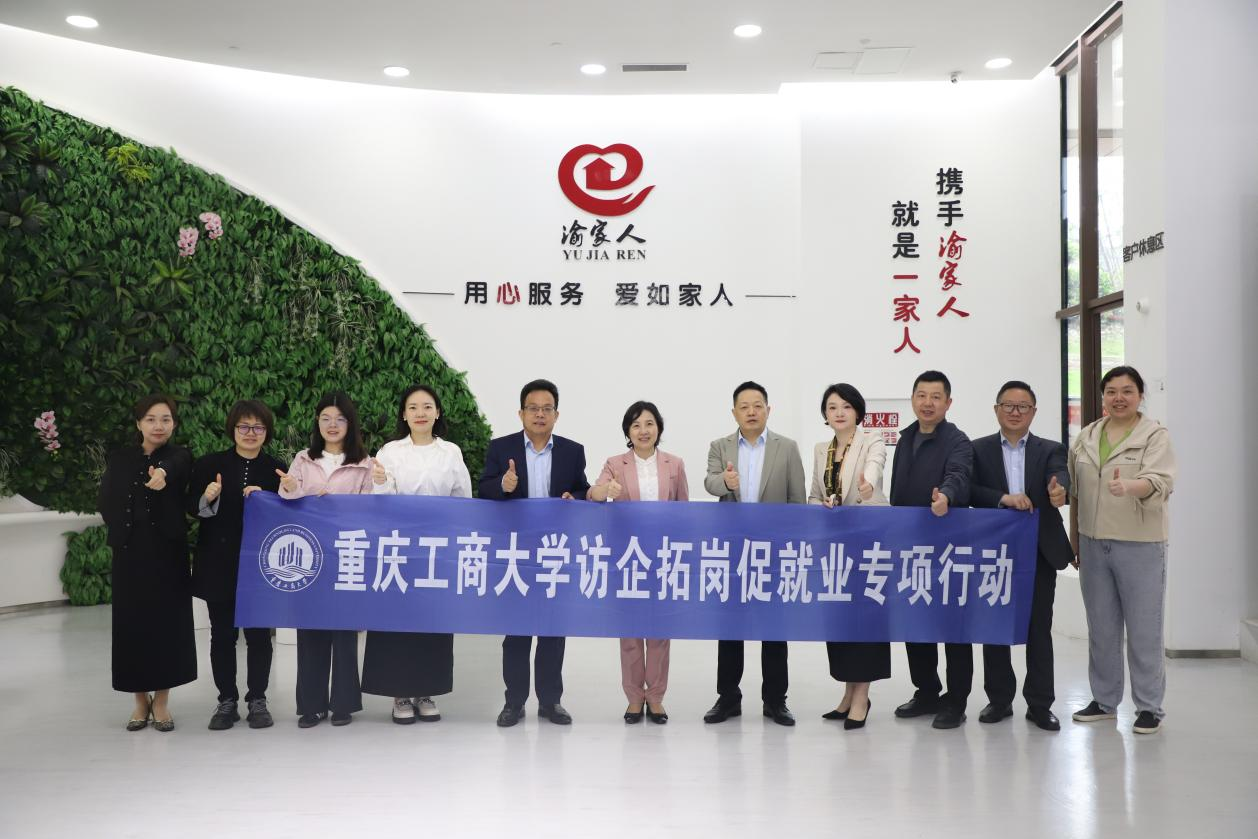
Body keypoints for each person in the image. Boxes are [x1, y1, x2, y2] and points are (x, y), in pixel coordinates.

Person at [1068, 366, 1176, 735]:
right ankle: (1103, 701)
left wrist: (1131, 486)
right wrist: (1075, 541)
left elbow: (1161, 481)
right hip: (1093, 544)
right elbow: (1076, 494)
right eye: (1112, 391)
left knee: (1144, 629)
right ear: (1103, 397)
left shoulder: (1154, 436)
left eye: (1127, 391)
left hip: (1140, 544)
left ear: (1140, 396)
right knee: (1101, 627)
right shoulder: (1086, 437)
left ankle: (1149, 707)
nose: (1119, 398)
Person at [478, 379, 590, 727]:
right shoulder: (501, 448)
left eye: (546, 409)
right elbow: (484, 489)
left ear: (556, 414)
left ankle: (550, 701)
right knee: (516, 632)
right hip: (516, 553)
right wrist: (503, 485)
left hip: (555, 553)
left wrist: (575, 497)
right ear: (521, 413)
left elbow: (582, 489)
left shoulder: (572, 451)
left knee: (552, 631)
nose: (540, 414)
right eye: (533, 408)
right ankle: (514, 702)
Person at [361, 384, 472, 725]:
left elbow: (463, 498)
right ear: (404, 414)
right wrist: (381, 480)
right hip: (399, 548)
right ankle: (399, 694)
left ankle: (426, 691)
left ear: (437, 412)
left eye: (427, 406)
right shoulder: (391, 451)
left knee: (431, 620)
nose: (420, 413)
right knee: (398, 621)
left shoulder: (450, 452)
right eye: (413, 407)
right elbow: (380, 500)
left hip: (437, 549)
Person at [969, 381, 1073, 732]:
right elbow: (970, 490)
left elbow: (1060, 478)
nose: (1015, 412)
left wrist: (1059, 492)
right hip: (994, 551)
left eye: (1023, 406)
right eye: (1008, 405)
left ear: (1034, 411)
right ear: (996, 409)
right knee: (994, 626)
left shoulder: (1051, 449)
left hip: (1039, 550)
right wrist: (1002, 498)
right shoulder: (978, 449)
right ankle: (999, 700)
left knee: (1039, 628)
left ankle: (1040, 704)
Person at [703, 381, 806, 726]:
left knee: (774, 628)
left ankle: (775, 700)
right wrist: (726, 483)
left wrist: (791, 549)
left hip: (774, 553)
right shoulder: (720, 446)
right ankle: (728, 698)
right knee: (730, 627)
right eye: (744, 406)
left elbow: (797, 501)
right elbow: (710, 482)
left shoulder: (786, 448)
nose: (751, 412)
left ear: (768, 410)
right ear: (734, 412)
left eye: (757, 405)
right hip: (732, 552)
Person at [97, 394, 196, 732]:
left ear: (174, 424)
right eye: (151, 419)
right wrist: (122, 530)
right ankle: (140, 700)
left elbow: (176, 465)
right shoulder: (120, 458)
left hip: (168, 554)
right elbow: (106, 500)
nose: (159, 426)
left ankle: (162, 700)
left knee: (167, 626)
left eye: (166, 419)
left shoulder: (180, 456)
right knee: (133, 625)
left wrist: (163, 473)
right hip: (129, 553)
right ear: (139, 423)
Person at [589, 400, 689, 725]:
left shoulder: (675, 464)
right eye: (636, 425)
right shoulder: (615, 463)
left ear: (658, 428)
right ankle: (634, 698)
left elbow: (683, 510)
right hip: (628, 558)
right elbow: (592, 493)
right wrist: (606, 489)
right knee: (630, 632)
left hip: (662, 557)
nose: (643, 431)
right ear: (628, 432)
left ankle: (655, 697)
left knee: (659, 631)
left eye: (649, 424)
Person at [278, 391, 374, 728]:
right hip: (311, 557)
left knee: (344, 632)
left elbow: (370, 506)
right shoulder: (304, 459)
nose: (332, 425)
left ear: (350, 424)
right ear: (317, 423)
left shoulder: (365, 463)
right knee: (311, 631)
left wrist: (337, 506)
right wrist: (293, 488)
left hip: (347, 554)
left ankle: (343, 703)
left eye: (340, 419)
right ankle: (312, 705)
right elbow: (287, 499)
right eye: (325, 419)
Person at [190, 399, 284, 731]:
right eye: (244, 426)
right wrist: (208, 497)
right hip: (218, 562)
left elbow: (289, 517)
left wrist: (272, 497)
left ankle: (257, 699)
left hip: (261, 566)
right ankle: (226, 700)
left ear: (267, 432)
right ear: (233, 429)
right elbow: (191, 508)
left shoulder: (276, 469)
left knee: (259, 636)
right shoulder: (209, 464)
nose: (250, 433)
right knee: (222, 635)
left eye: (258, 427)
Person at [889, 370, 975, 730]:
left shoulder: (957, 440)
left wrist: (947, 497)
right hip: (911, 547)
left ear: (948, 403)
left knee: (953, 627)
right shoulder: (905, 438)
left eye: (936, 397)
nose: (927, 403)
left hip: (948, 549)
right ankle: (926, 691)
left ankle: (956, 701)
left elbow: (959, 475)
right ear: (912, 400)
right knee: (917, 623)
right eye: (921, 395)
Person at [806, 383, 888, 731]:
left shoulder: (872, 440)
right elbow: (813, 495)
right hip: (835, 548)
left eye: (846, 406)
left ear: (858, 411)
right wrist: (822, 505)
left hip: (868, 542)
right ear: (825, 415)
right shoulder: (821, 449)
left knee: (865, 620)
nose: (839, 412)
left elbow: (875, 466)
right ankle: (848, 692)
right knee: (841, 621)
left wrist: (868, 484)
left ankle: (862, 697)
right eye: (832, 407)